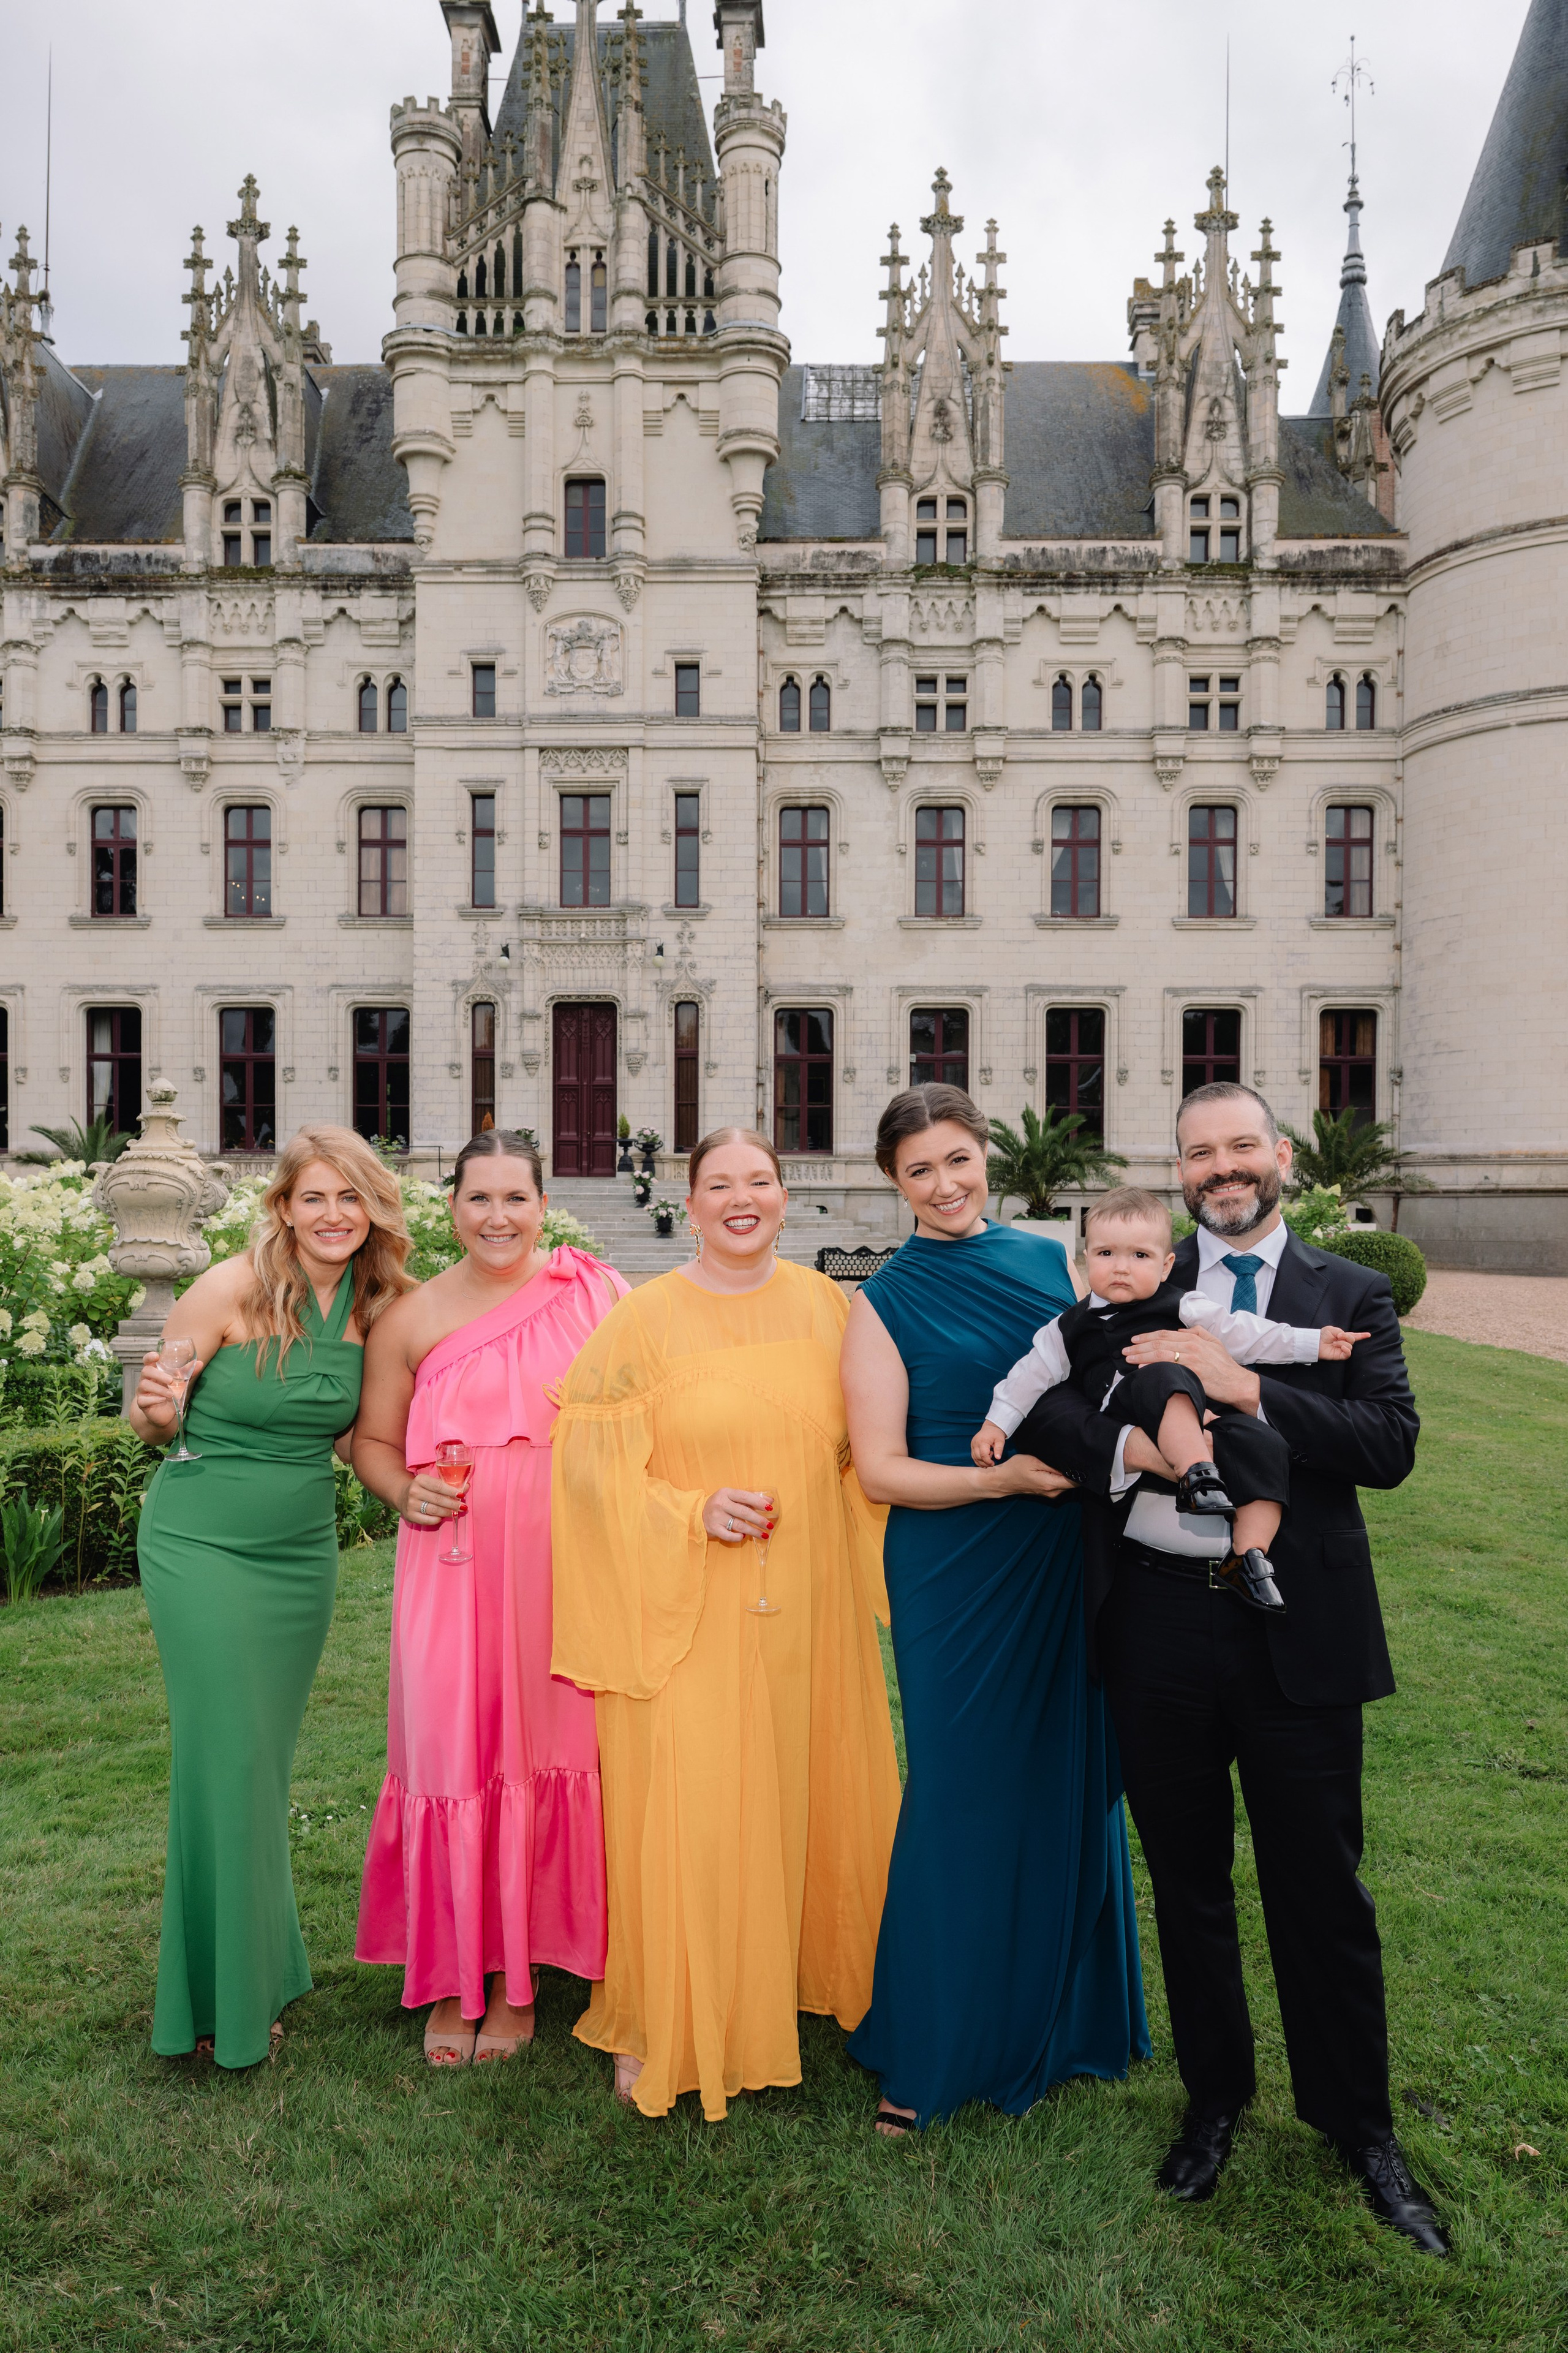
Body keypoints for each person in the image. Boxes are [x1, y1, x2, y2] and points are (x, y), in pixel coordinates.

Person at [1017, 1082, 1446, 2255]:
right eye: (1201, 1152)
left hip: (1296, 1623)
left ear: (1282, 1155)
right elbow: (1051, 1398)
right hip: (1156, 1624)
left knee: (1321, 1885)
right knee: (1189, 1876)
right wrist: (1133, 1447)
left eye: (1242, 1146)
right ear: (1181, 1166)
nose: (1223, 1167)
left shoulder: (1348, 1294)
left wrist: (1251, 1387)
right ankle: (1215, 2103)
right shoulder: (1132, 1272)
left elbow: (1390, 1448)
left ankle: (1360, 2127)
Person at [550, 1127, 900, 2120]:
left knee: (803, 1785)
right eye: (719, 1185)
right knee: (696, 1806)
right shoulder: (643, 1320)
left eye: (760, 1181)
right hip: (690, 1605)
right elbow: (585, 1472)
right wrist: (688, 1511)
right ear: (690, 1202)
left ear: (784, 1198)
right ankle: (667, 2015)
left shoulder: (829, 1307)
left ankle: (792, 1977)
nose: (741, 1199)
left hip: (810, 1605)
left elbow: (864, 1447)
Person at [840, 1085, 1150, 2134]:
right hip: (956, 1559)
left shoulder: (1050, 1262)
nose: (945, 1185)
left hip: (1064, 1554)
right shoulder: (880, 1300)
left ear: (988, 1157)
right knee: (960, 1789)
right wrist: (1000, 1481)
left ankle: (1068, 2023)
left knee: (1068, 1770)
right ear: (895, 1183)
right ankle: (929, 2047)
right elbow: (881, 1470)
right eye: (919, 1170)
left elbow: (1104, 1383)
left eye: (959, 1160)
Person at [130, 1125, 411, 2069]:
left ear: (373, 1209)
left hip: (298, 1555)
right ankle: (223, 1999)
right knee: (229, 1758)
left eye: (351, 1198)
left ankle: (260, 1970)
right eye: (314, 1198)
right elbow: (154, 1412)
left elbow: (361, 1436)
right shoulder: (228, 1288)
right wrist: (157, 1404)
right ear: (284, 1207)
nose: (334, 1216)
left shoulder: (382, 1309)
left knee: (259, 1766)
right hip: (200, 1538)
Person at [352, 1130, 626, 2065]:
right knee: (453, 1749)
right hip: (452, 1564)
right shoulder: (411, 1317)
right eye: (480, 1199)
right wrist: (402, 1491)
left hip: (569, 1563)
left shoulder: (594, 1294)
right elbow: (373, 1446)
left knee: (556, 1745)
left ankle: (524, 1980)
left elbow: (655, 1407)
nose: (498, 1217)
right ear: (451, 1206)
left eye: (516, 1198)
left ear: (544, 1204)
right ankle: (459, 1973)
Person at [972, 1186, 1369, 1612]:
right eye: (1106, 1254)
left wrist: (1314, 1343)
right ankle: (1197, 1473)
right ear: (1087, 1257)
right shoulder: (1069, 1325)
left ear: (1165, 1267)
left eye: (1139, 1256)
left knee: (1263, 1443)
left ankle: (1249, 1556)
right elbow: (1030, 1375)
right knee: (1163, 1374)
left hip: (1192, 1413)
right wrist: (996, 1424)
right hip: (1124, 1409)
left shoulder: (1183, 1304)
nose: (1121, 1267)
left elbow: (1246, 1332)